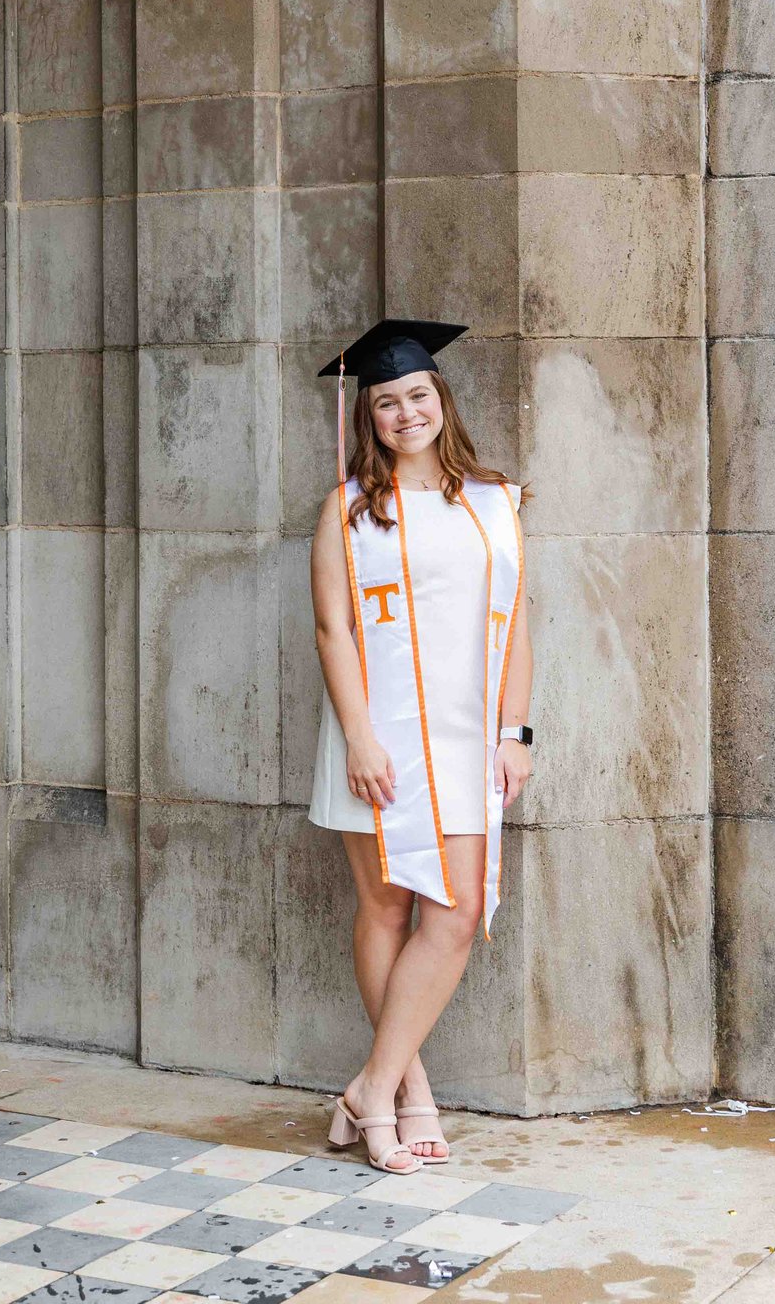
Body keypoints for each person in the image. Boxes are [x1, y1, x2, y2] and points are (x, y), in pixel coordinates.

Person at [307, 319, 534, 1174]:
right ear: (367, 416)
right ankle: (407, 1093)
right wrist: (360, 736)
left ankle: (371, 1085)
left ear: (441, 400)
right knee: (388, 909)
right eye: (387, 402)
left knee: (459, 912)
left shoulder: (492, 501)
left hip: (468, 736)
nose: (406, 413)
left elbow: (516, 628)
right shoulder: (349, 511)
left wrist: (515, 733)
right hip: (378, 739)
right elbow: (333, 631)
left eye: (418, 396)